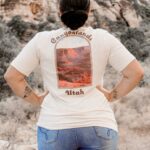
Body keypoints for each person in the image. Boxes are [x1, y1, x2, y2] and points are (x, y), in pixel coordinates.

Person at [4, 0, 144, 150]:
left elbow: (12, 76)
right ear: (89, 10)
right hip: (99, 124)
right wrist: (111, 96)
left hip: (55, 125)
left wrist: (37, 100)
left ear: (59, 11)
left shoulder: (42, 40)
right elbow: (135, 72)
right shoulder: (104, 38)